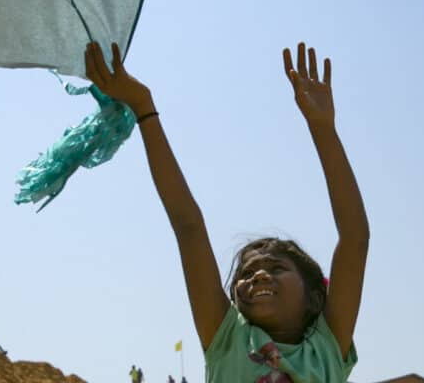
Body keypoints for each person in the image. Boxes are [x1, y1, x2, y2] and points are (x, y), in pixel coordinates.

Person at [84, 40, 368, 383]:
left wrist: (323, 129)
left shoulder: (326, 347)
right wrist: (144, 108)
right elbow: (188, 226)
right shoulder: (227, 338)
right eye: (246, 274)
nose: (258, 276)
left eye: (276, 268)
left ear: (315, 298)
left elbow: (354, 237)